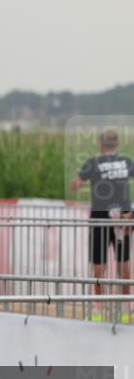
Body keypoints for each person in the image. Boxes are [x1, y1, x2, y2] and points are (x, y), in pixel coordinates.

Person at [69, 128, 133, 321]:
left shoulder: (93, 163)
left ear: (100, 144)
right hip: (123, 218)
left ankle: (98, 310)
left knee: (99, 265)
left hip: (99, 219)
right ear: (117, 145)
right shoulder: (127, 162)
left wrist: (80, 182)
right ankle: (124, 309)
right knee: (124, 265)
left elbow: (75, 185)